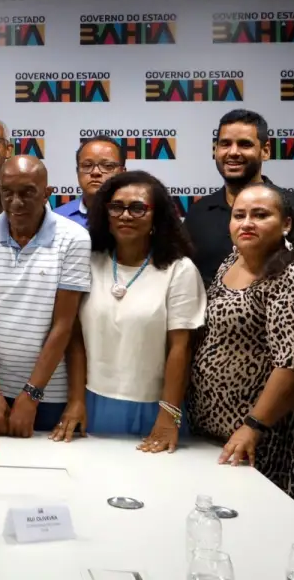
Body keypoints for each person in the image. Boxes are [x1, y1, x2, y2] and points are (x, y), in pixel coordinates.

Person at [187, 184, 294, 526]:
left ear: (286, 223)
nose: (247, 223)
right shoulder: (233, 261)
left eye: (260, 215)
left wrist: (253, 426)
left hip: (277, 439)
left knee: (272, 531)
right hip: (223, 437)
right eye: (239, 215)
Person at [53, 171, 205, 452]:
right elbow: (74, 337)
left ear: (157, 216)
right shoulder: (89, 262)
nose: (125, 215)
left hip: (154, 405)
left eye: (137, 208)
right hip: (92, 401)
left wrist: (169, 415)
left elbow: (181, 348)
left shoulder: (179, 270)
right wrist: (76, 400)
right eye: (116, 207)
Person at [0, 156, 91, 436]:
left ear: (47, 193)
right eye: (7, 192)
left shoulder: (74, 238)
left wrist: (32, 394)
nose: (16, 202)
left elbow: (64, 325)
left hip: (49, 393)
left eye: (27, 192)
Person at [184, 109, 294, 286]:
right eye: (225, 144)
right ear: (216, 150)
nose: (233, 152)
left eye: (244, 144)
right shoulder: (198, 214)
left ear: (266, 151)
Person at [53, 135, 125, 226]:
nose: (95, 172)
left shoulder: (135, 217)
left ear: (123, 173)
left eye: (107, 166)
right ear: (77, 171)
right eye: (87, 165)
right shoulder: (56, 219)